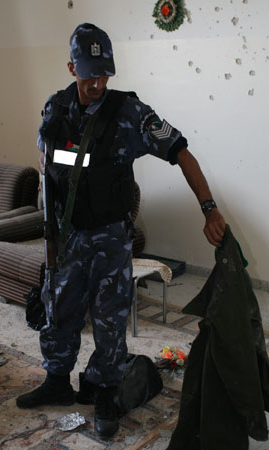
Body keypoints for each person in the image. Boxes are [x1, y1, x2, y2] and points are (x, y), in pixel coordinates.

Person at [16, 23, 225, 437]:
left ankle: (106, 392)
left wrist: (209, 209)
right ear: (72, 67)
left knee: (111, 318)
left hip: (110, 238)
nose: (98, 82)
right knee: (59, 310)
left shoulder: (131, 114)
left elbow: (181, 152)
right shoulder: (54, 110)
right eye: (90, 73)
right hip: (67, 236)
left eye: (105, 73)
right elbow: (47, 165)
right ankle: (57, 380)